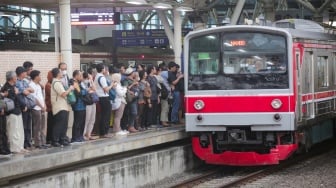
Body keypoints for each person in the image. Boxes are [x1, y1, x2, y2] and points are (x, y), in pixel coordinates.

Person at [1, 71, 27, 153]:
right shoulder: (6, 88)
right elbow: (10, 101)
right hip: (11, 112)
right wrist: (16, 93)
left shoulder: (14, 86)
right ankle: (15, 148)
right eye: (15, 76)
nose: (16, 78)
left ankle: (20, 147)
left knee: (20, 130)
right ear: (12, 78)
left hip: (18, 111)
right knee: (13, 131)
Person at [50, 68, 74, 147]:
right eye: (60, 72)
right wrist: (70, 89)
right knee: (59, 124)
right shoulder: (56, 82)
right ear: (57, 74)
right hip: (59, 106)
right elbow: (63, 94)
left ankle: (62, 139)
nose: (62, 73)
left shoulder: (59, 82)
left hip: (63, 106)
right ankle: (55, 140)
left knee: (64, 124)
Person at [15, 66, 34, 149]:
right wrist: (26, 90)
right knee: (24, 125)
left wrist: (26, 90)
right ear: (21, 73)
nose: (26, 73)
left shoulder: (25, 81)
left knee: (28, 125)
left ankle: (28, 141)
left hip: (29, 105)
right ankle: (24, 143)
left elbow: (32, 90)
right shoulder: (17, 82)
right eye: (25, 72)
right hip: (23, 106)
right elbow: (25, 92)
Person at [94, 64, 114, 138]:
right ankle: (105, 132)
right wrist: (112, 85)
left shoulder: (96, 76)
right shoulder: (102, 77)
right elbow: (106, 89)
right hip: (104, 97)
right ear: (103, 69)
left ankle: (102, 132)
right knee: (106, 115)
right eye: (105, 69)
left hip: (100, 97)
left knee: (103, 115)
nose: (105, 70)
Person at [29, 70, 47, 149]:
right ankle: (37, 143)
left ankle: (43, 142)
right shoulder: (31, 85)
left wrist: (44, 105)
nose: (40, 77)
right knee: (37, 126)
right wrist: (41, 106)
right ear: (36, 77)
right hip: (36, 108)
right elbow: (34, 99)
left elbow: (41, 97)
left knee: (43, 126)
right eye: (39, 75)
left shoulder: (38, 85)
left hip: (42, 108)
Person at [71, 70, 87, 143]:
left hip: (82, 105)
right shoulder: (73, 82)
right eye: (80, 75)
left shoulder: (79, 83)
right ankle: (75, 138)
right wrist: (86, 91)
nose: (81, 77)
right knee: (77, 122)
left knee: (82, 122)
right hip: (78, 105)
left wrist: (85, 90)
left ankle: (80, 136)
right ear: (76, 76)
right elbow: (79, 93)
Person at [121, 68, 139, 133]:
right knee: (133, 112)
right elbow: (126, 88)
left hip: (135, 98)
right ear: (131, 73)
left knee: (134, 113)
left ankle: (132, 126)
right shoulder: (126, 80)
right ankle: (130, 126)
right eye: (134, 72)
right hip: (130, 99)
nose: (135, 73)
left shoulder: (133, 79)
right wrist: (133, 84)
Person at [82, 72, 96, 140]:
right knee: (86, 119)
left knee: (92, 119)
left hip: (92, 101)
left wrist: (91, 80)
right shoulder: (82, 83)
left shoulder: (89, 82)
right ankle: (83, 134)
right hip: (87, 103)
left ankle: (89, 134)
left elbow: (94, 89)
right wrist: (90, 90)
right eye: (89, 77)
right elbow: (86, 91)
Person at [45, 70, 53, 145]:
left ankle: (51, 138)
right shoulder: (48, 85)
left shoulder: (52, 84)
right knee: (50, 123)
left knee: (53, 123)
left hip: (53, 107)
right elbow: (52, 94)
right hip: (50, 107)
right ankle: (49, 139)